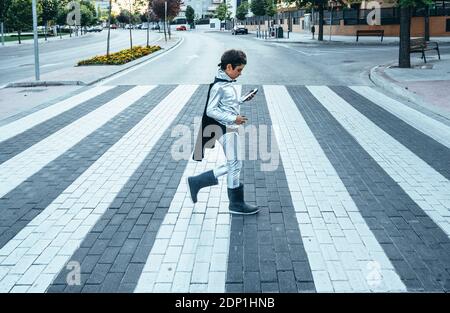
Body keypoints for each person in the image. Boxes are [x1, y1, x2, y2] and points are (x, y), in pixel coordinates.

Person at [188, 49, 259, 215]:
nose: (240, 73)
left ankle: (197, 182)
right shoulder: (219, 86)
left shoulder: (226, 82)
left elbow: (227, 103)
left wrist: (242, 99)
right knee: (235, 164)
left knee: (235, 163)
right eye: (239, 70)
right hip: (223, 127)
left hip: (227, 126)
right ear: (228, 67)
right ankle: (235, 204)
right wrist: (234, 119)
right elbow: (210, 111)